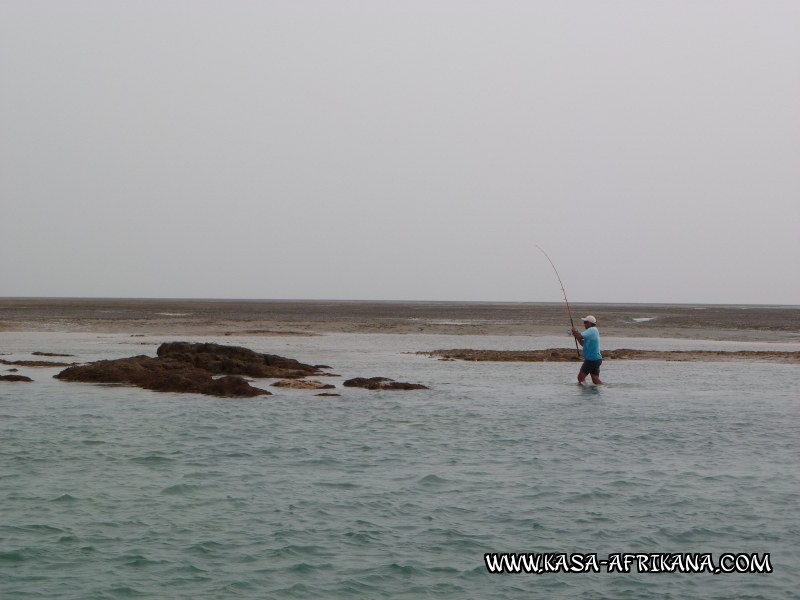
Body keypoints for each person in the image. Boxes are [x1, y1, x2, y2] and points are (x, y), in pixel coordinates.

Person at [571, 315, 603, 385]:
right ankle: (603, 388)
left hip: (591, 360)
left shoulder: (592, 330)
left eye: (585, 322)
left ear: (590, 323)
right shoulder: (592, 332)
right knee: (595, 379)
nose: (584, 324)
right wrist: (576, 335)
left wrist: (575, 331)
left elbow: (580, 335)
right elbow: (583, 343)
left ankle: (584, 394)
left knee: (580, 378)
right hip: (597, 359)